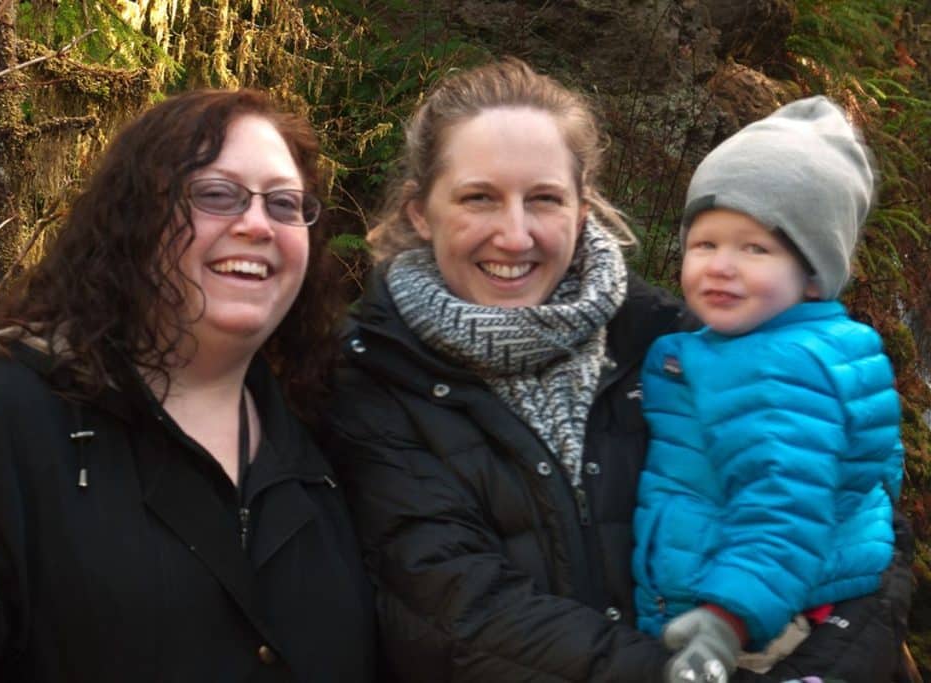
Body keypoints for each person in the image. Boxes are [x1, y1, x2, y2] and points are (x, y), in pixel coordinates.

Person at [323, 58, 913, 682]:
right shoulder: (372, 380)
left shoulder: (668, 340)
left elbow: (858, 517)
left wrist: (822, 669)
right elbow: (466, 614)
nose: (515, 236)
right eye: (479, 198)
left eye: (544, 199)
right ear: (421, 211)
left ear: (582, 209)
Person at [0, 88, 375, 682]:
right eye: (216, 194)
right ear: (134, 217)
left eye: (285, 204)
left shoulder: (329, 436)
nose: (258, 224)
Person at [632, 96, 905, 681]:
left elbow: (784, 507)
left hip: (751, 629)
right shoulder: (794, 345)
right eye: (705, 243)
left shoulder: (781, 366)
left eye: (755, 248)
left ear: (813, 277)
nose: (721, 265)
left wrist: (726, 621)